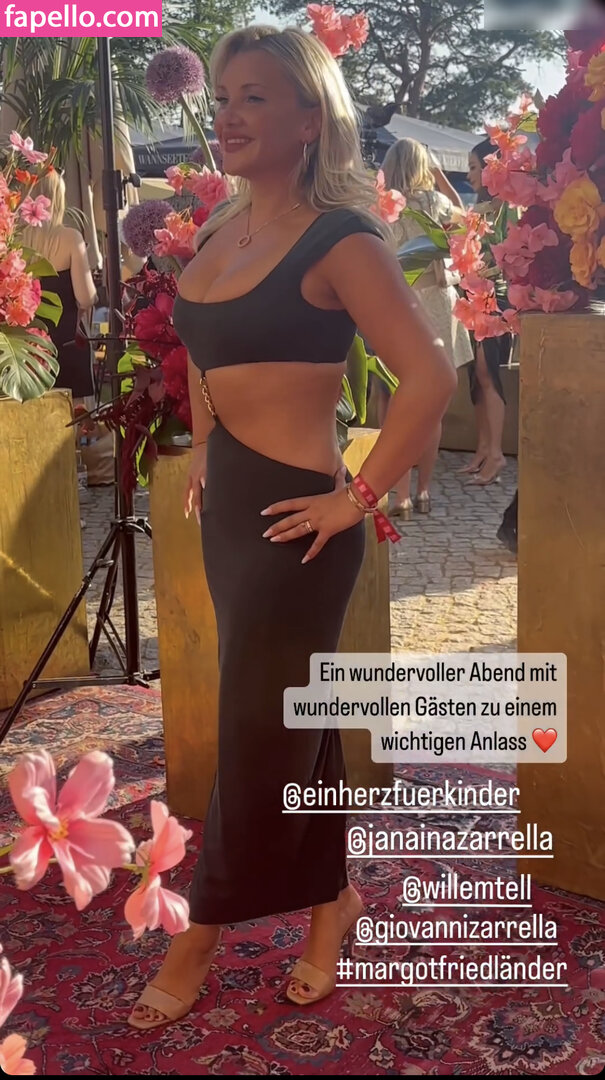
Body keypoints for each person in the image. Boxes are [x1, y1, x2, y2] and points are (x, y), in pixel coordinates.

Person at [128, 24, 455, 1030]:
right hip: (230, 508)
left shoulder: (341, 240)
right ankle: (331, 907)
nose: (227, 114)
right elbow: (205, 359)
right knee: (293, 728)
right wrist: (206, 448)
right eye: (223, 95)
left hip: (298, 524)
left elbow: (428, 377)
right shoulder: (221, 230)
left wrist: (357, 497)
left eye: (255, 97)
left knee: (253, 731)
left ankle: (200, 933)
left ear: (310, 120)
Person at [381, 138, 473, 517]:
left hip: (403, 303)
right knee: (432, 407)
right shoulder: (437, 203)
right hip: (440, 303)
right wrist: (440, 176)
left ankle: (400, 494)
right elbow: (467, 219)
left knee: (399, 405)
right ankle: (423, 492)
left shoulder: (387, 205)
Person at [21, 169, 98, 404]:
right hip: (65, 342)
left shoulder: (14, 239)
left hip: (24, 344)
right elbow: (85, 298)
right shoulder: (71, 238)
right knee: (69, 416)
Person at [462, 138, 512, 486]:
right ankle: (483, 449)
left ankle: (496, 453)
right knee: (477, 377)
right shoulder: (480, 207)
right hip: (475, 298)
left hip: (497, 300)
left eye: (474, 167)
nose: (469, 175)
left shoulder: (506, 208)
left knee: (487, 373)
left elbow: (507, 260)